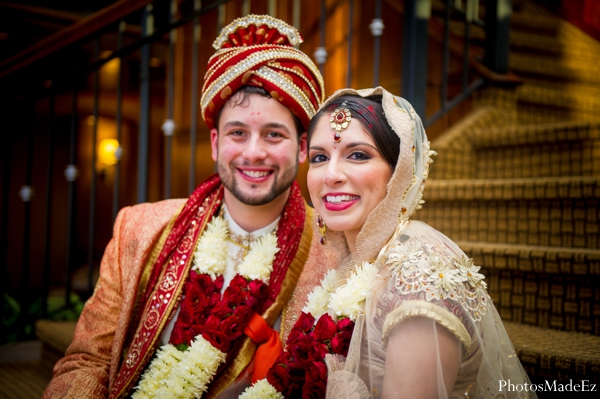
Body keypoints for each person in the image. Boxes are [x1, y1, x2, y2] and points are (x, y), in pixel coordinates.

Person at [42, 15, 328, 399]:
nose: (254, 152)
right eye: (237, 133)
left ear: (303, 147)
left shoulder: (331, 253)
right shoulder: (138, 229)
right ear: (215, 143)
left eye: (274, 134)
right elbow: (88, 362)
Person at [240, 87, 535, 399]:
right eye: (320, 157)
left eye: (358, 155)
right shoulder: (352, 260)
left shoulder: (418, 277)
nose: (331, 174)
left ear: (399, 171)